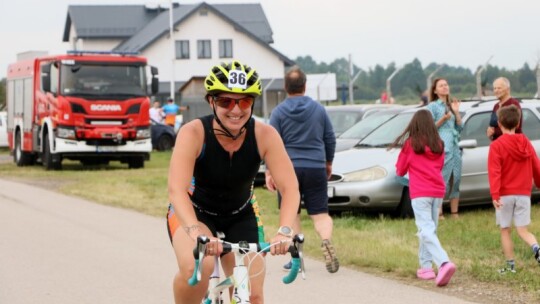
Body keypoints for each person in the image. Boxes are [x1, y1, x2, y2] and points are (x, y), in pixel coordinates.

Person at [166, 60, 300, 304]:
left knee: (253, 292)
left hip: (241, 213)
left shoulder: (265, 135)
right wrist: (195, 232)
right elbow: (176, 190)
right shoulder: (193, 133)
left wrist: (285, 231)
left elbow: (290, 188)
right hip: (196, 213)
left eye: (245, 101)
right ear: (211, 102)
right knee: (198, 269)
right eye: (226, 101)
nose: (236, 110)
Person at [265, 66, 339, 274]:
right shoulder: (318, 109)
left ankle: (297, 257)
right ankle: (325, 240)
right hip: (315, 165)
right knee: (320, 214)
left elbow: (271, 142)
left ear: (285, 87)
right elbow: (329, 138)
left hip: (288, 168)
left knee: (292, 213)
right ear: (305, 86)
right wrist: (328, 162)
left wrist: (270, 171)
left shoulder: (278, 112)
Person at [390, 109, 456, 287]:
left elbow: (400, 170)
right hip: (437, 191)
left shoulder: (411, 144)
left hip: (420, 192)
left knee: (425, 229)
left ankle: (443, 262)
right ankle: (425, 267)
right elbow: (441, 165)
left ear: (415, 124)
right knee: (429, 230)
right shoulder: (439, 144)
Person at [487, 105, 540, 273]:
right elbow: (536, 166)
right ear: (518, 124)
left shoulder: (496, 145)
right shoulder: (526, 142)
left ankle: (510, 267)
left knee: (505, 230)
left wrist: (495, 194)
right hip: (523, 194)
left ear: (499, 124)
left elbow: (494, 172)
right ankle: (536, 247)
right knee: (523, 230)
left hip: (504, 195)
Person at [426, 78, 462, 219]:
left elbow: (460, 128)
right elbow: (430, 127)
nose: (444, 87)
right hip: (442, 145)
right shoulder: (433, 106)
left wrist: (457, 113)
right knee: (442, 179)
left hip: (454, 145)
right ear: (435, 90)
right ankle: (439, 212)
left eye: (446, 84)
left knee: (456, 178)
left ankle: (454, 212)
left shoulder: (452, 104)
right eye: (441, 86)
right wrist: (443, 119)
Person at [486, 77, 522, 141]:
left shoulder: (513, 104)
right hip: (497, 145)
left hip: (511, 145)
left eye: (499, 88)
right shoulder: (496, 106)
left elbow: (514, 128)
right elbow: (492, 126)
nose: (496, 90)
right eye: (494, 88)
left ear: (508, 89)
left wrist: (495, 132)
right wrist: (489, 132)